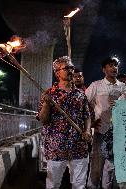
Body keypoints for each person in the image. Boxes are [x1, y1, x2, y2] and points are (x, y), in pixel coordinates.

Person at [37, 56, 92, 189]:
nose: (70, 70)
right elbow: (43, 120)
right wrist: (46, 104)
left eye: (71, 67)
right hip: (57, 147)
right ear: (57, 73)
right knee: (53, 184)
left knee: (79, 185)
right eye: (66, 68)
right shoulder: (49, 94)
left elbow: (87, 116)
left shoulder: (80, 94)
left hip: (79, 146)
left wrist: (87, 130)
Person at [85, 57, 126, 189]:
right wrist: (91, 121)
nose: (114, 68)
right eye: (110, 65)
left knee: (114, 167)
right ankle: (93, 186)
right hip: (101, 131)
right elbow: (84, 104)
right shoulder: (96, 85)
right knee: (97, 165)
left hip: (119, 134)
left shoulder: (124, 87)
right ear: (104, 69)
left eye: (116, 65)